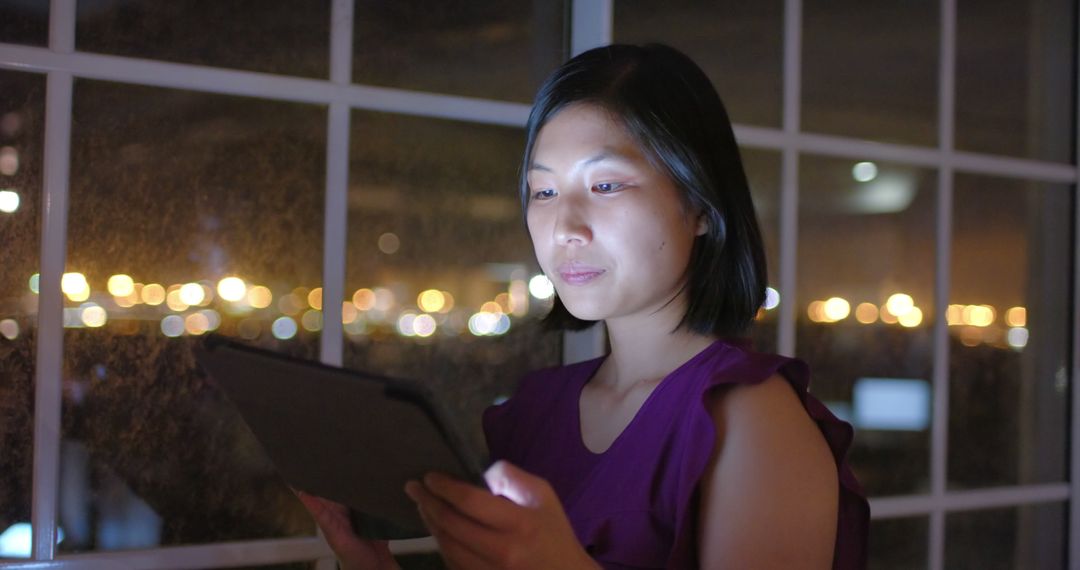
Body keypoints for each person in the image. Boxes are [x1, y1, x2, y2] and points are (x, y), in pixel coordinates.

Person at [298, 43, 869, 569]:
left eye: (605, 186)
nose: (565, 227)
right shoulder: (533, 411)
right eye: (543, 192)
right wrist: (369, 562)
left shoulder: (747, 418)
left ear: (699, 206)